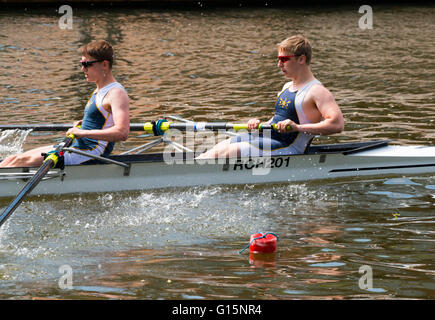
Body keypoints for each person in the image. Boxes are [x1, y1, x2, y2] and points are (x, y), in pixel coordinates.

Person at [197, 35, 344, 159]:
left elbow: (337, 125)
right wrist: (258, 126)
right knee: (221, 147)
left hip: (290, 148)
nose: (279, 64)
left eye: (284, 59)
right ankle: (188, 168)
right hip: (268, 140)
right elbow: (277, 120)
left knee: (232, 151)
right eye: (278, 59)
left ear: (301, 59)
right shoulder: (287, 87)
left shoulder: (317, 91)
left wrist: (297, 127)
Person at [0, 40, 130, 168]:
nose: (82, 68)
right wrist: (84, 124)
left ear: (104, 65)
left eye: (87, 64)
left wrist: (84, 133)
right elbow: (104, 119)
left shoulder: (116, 93)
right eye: (81, 63)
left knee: (19, 162)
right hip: (78, 148)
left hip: (91, 154)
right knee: (13, 159)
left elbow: (122, 132)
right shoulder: (100, 90)